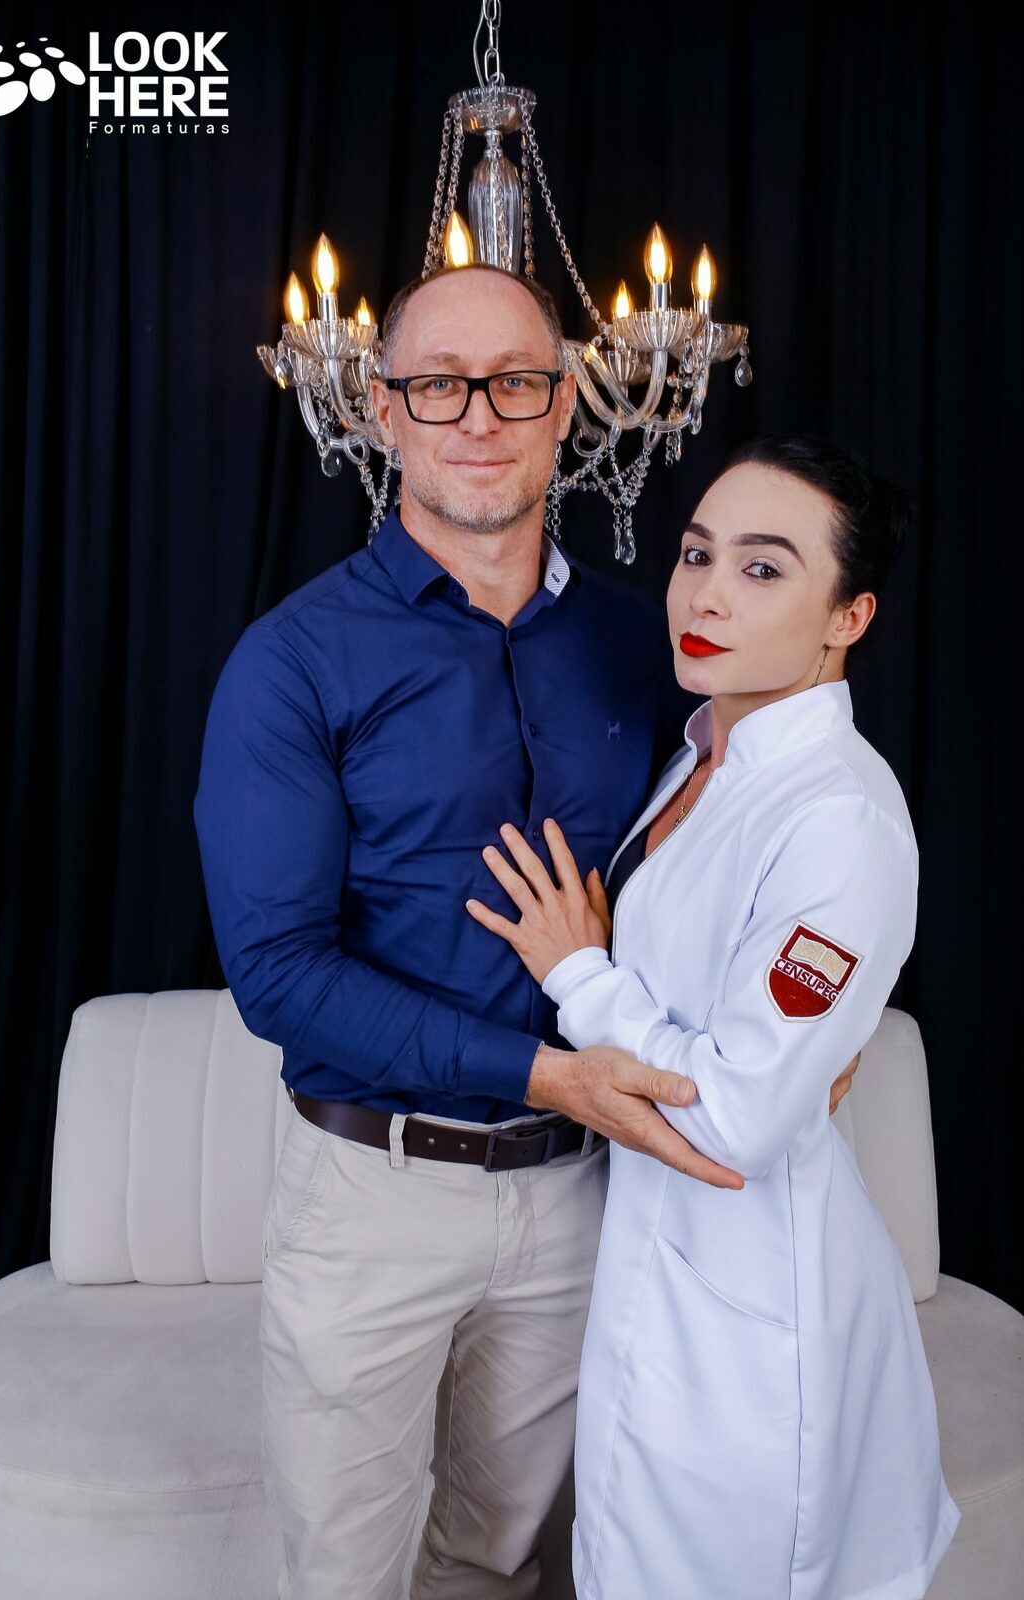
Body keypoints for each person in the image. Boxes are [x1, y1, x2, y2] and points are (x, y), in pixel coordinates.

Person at [193, 266, 858, 1600]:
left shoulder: (644, 643)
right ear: (384, 411)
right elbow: (275, 976)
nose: (478, 417)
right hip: (373, 1194)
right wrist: (548, 1073)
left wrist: (810, 1024)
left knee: (501, 1566)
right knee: (344, 1576)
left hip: (586, 1197)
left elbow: (756, 834)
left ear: (566, 407)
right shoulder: (291, 661)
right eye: (437, 386)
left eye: (515, 382)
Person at [465, 434, 961, 1599]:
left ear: (847, 615)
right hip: (647, 1270)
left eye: (762, 567)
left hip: (752, 1323)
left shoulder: (836, 816)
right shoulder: (698, 757)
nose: (705, 594)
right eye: (696, 554)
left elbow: (736, 1115)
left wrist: (580, 975)